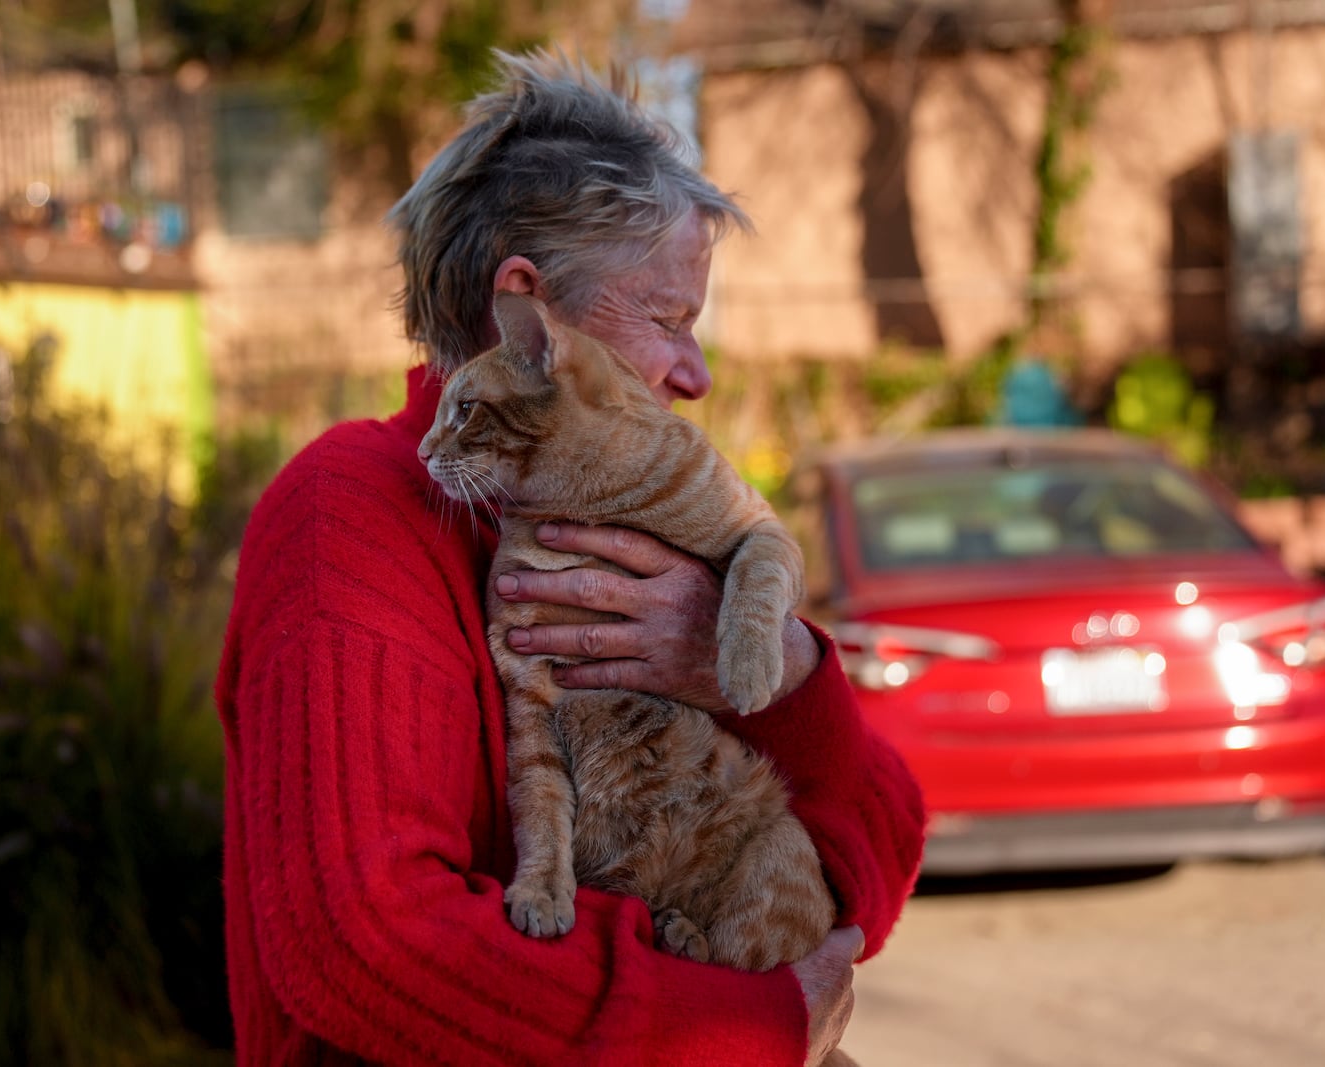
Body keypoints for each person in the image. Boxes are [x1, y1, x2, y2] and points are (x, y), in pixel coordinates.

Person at [215, 49, 926, 1067]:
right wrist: (731, 1020)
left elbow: (870, 885)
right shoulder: (351, 518)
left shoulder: (648, 516)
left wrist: (785, 678)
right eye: (668, 318)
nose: (696, 371)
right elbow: (366, 942)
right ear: (531, 316)